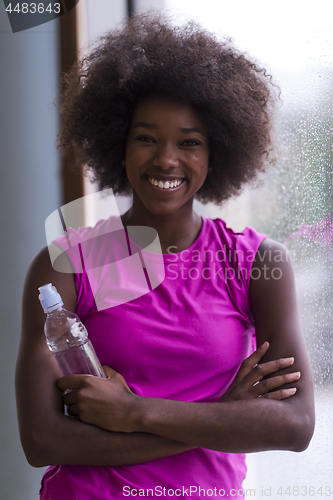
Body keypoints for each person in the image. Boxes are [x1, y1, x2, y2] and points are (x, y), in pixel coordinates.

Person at [16, 13, 315, 500]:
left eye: (190, 142)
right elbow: (41, 439)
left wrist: (132, 412)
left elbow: (295, 425)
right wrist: (225, 414)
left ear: (217, 152)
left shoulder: (258, 263)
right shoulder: (63, 265)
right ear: (119, 145)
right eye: (147, 138)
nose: (166, 160)